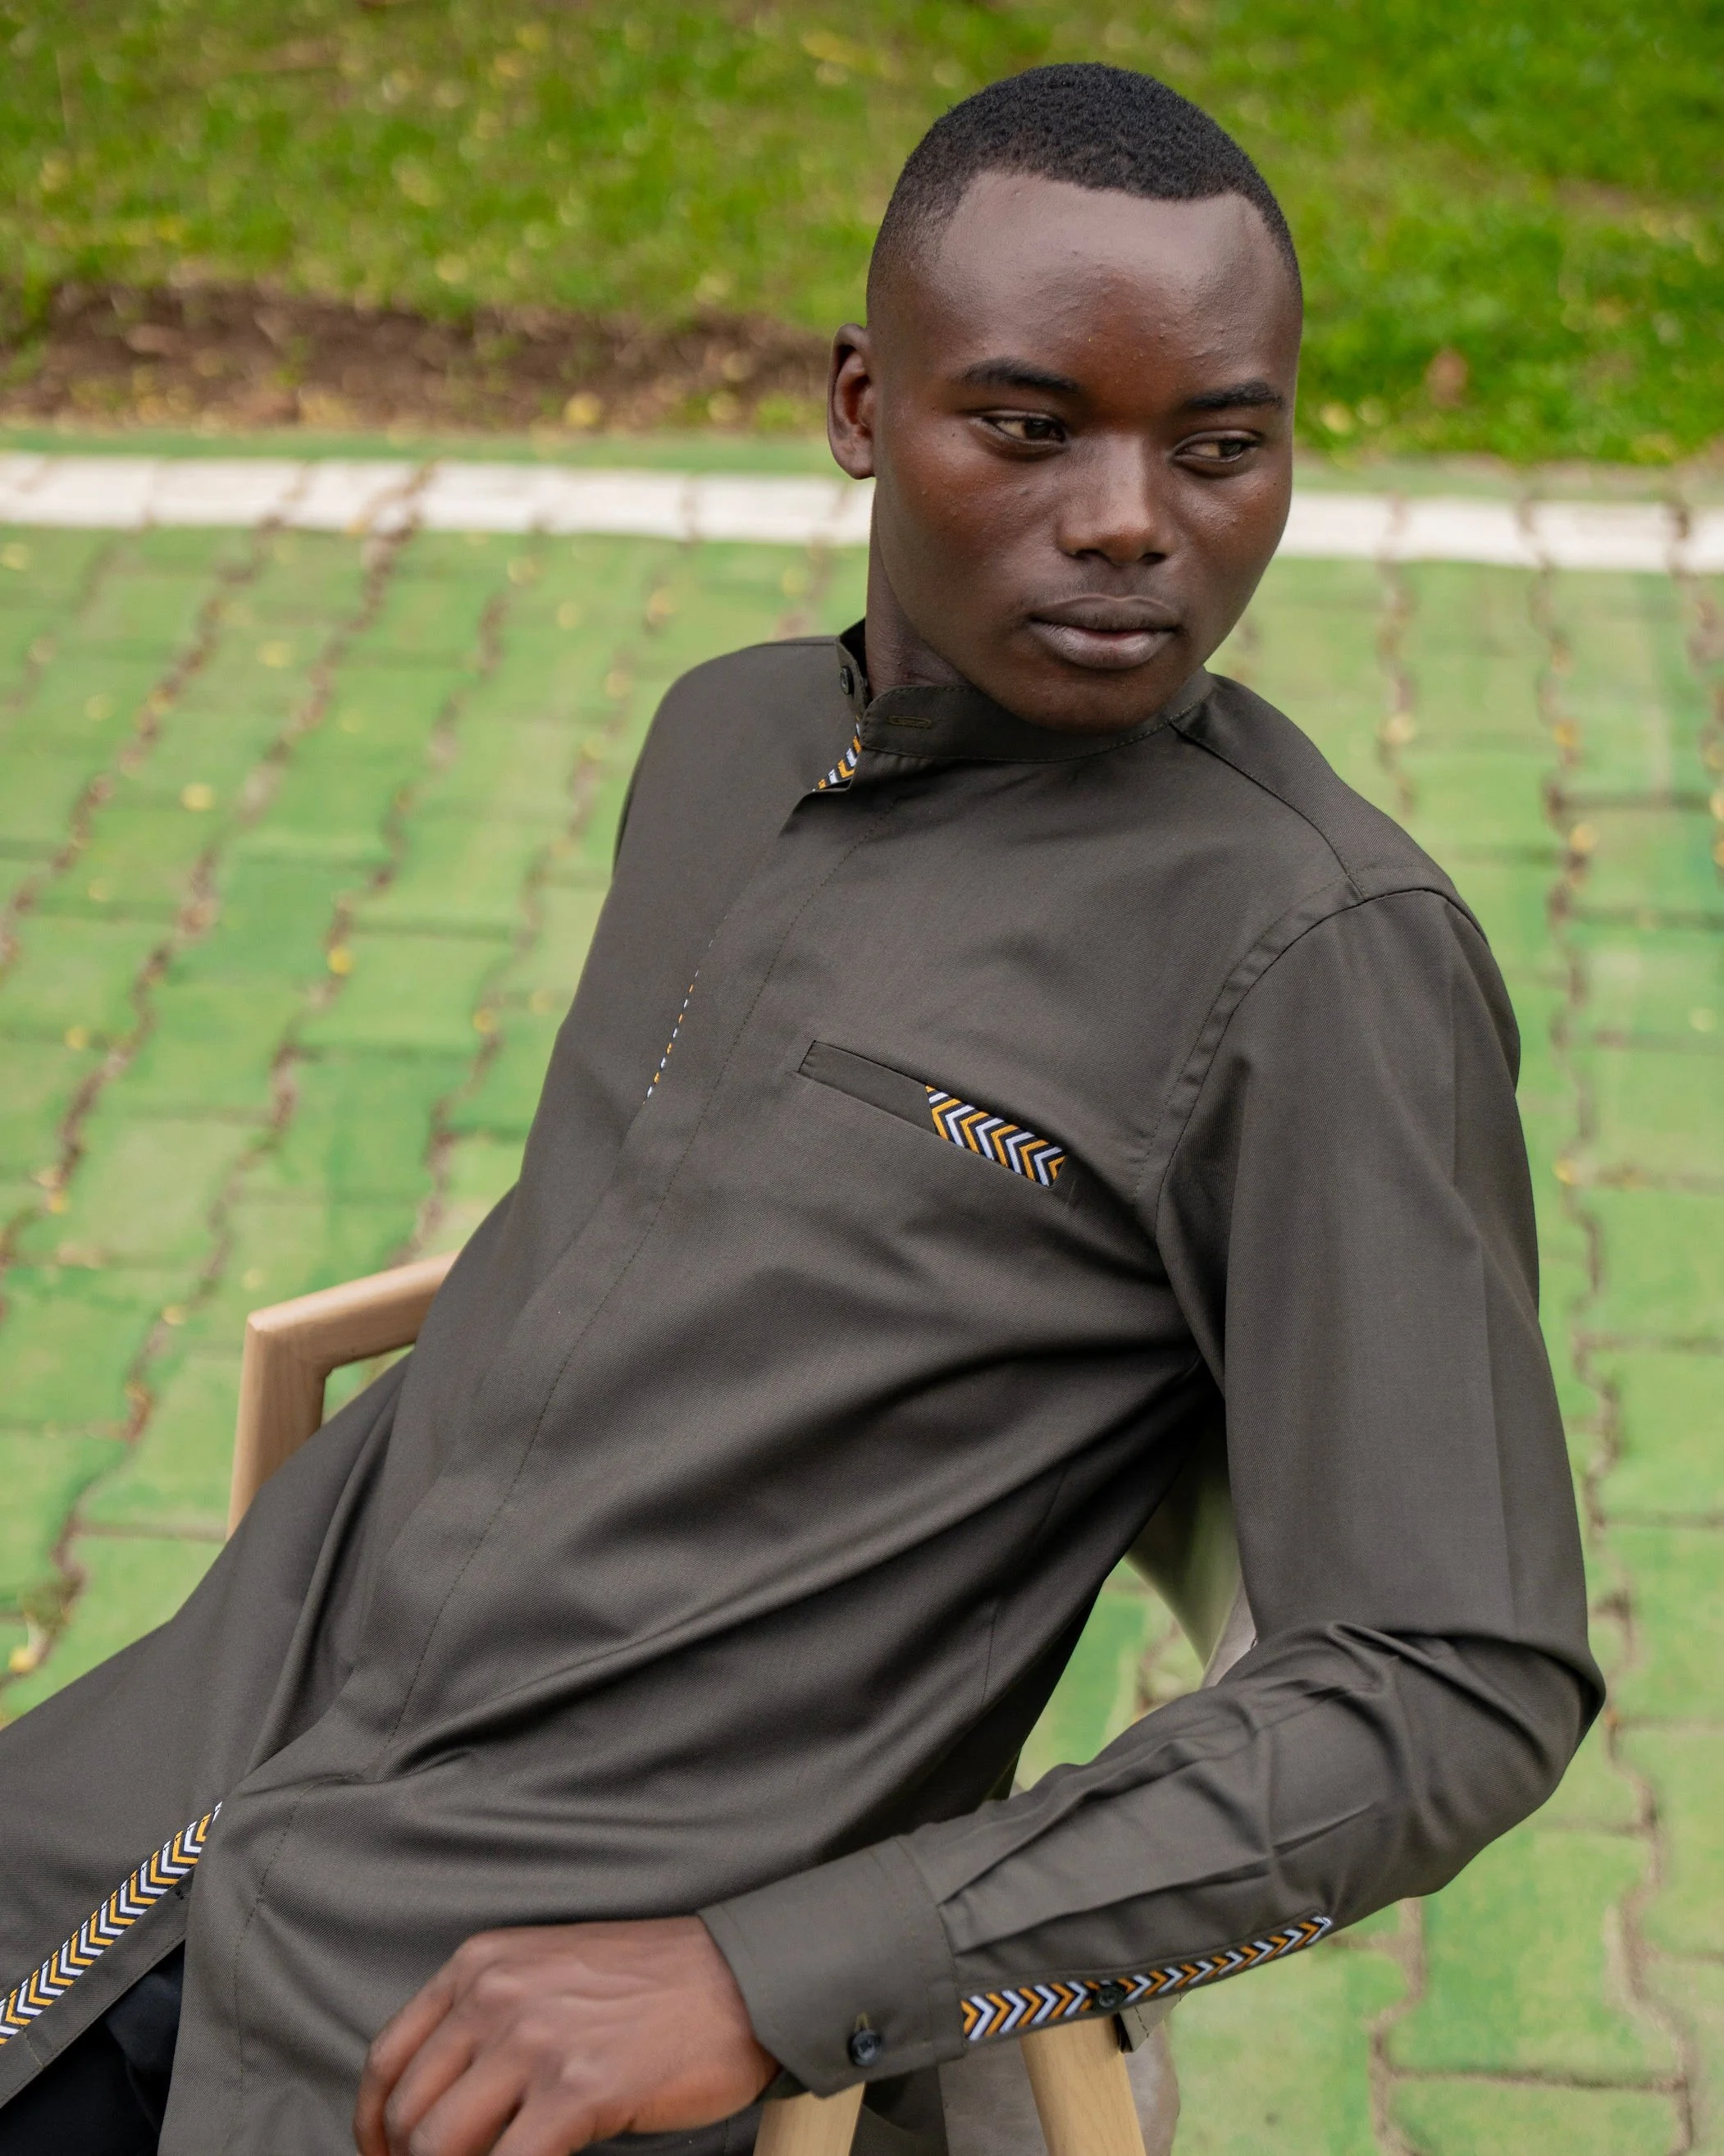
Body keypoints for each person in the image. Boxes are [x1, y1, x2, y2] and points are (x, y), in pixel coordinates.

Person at [0, 63, 1598, 2156]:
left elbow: (1453, 1677)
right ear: (863, 405)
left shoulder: (1318, 962)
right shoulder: (728, 736)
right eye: (1028, 428)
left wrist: (776, 1978)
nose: (1133, 519)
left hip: (514, 2006)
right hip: (173, 1780)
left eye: (1220, 446)